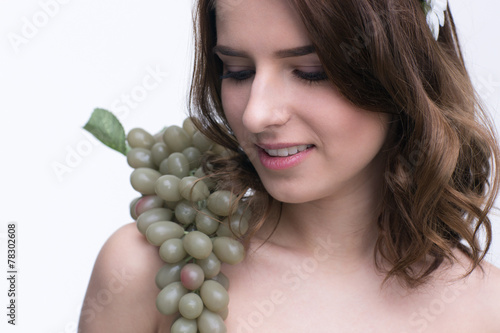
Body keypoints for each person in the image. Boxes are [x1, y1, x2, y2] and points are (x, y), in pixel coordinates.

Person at [79, 0, 500, 332]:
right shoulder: (145, 272)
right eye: (237, 71)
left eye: (311, 72)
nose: (256, 115)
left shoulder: (485, 309)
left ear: (404, 74)